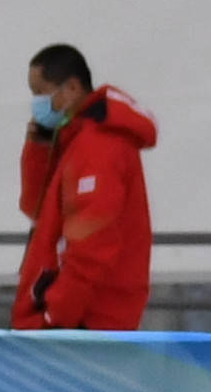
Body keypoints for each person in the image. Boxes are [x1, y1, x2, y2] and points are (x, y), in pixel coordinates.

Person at [10, 43, 157, 331]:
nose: (36, 104)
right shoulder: (76, 139)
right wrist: (40, 147)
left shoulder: (99, 147)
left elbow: (92, 243)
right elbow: (36, 207)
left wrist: (58, 313)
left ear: (72, 88)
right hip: (77, 316)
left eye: (41, 93)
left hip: (87, 320)